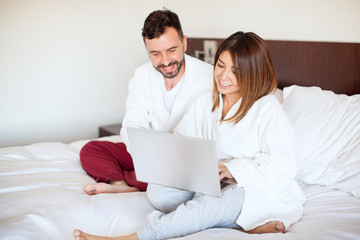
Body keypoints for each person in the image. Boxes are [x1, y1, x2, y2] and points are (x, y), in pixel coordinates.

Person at [73, 31, 305, 240]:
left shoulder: (266, 108)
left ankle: (135, 237)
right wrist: (186, 167)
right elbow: (181, 139)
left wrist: (234, 170)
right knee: (158, 192)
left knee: (209, 204)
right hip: (212, 179)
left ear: (252, 72)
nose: (223, 76)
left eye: (235, 70)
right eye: (221, 65)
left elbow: (284, 167)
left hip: (255, 188)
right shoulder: (207, 102)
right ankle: (239, 225)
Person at [79, 9, 213, 194]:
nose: (165, 61)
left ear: (184, 42)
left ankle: (134, 180)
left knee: (183, 179)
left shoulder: (209, 77)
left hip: (185, 161)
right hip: (149, 155)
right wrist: (147, 160)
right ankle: (120, 185)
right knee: (91, 149)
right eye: (155, 53)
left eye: (171, 50)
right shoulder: (142, 75)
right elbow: (132, 125)